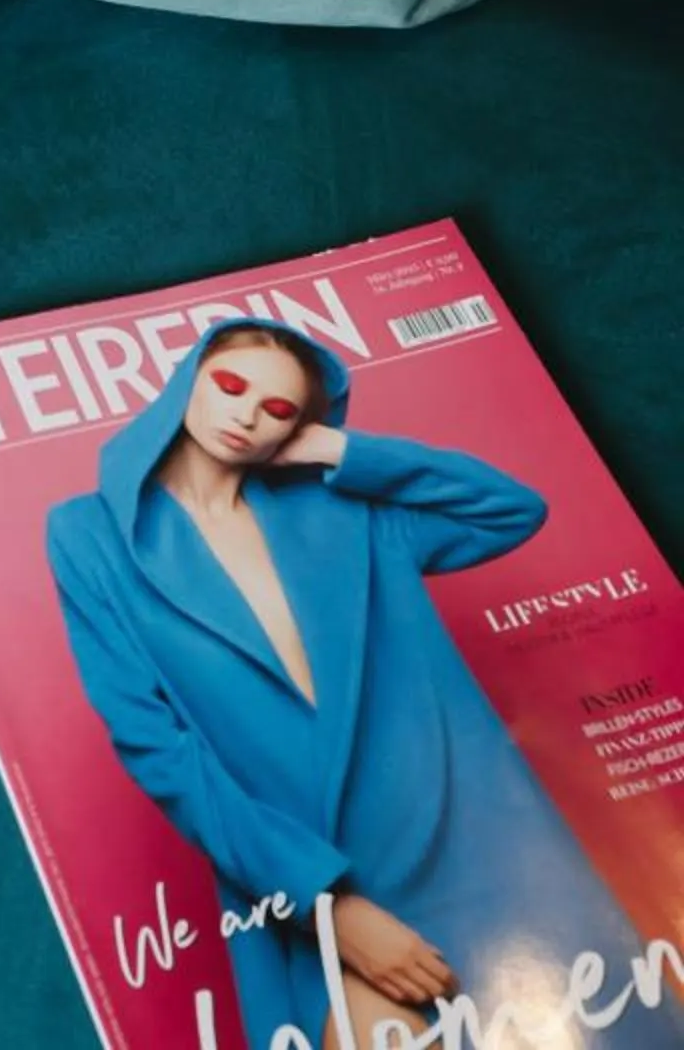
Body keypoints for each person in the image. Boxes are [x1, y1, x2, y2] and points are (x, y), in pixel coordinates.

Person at [45, 319, 684, 1050]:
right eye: (230, 384)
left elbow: (513, 509)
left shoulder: (344, 512)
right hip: (300, 870)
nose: (248, 412)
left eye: (280, 410)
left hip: (466, 845)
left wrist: (339, 450)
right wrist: (327, 908)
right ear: (187, 379)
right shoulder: (90, 535)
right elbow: (154, 745)